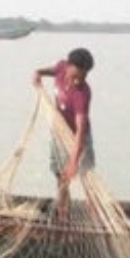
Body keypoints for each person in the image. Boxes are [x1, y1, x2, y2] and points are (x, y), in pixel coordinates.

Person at [33, 48, 96, 218]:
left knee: (87, 181)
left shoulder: (82, 94)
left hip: (78, 138)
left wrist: (74, 161)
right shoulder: (60, 68)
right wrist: (37, 73)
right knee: (61, 177)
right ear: (68, 66)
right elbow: (47, 71)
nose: (78, 81)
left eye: (83, 77)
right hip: (59, 132)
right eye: (75, 76)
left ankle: (96, 219)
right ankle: (63, 215)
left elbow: (81, 131)